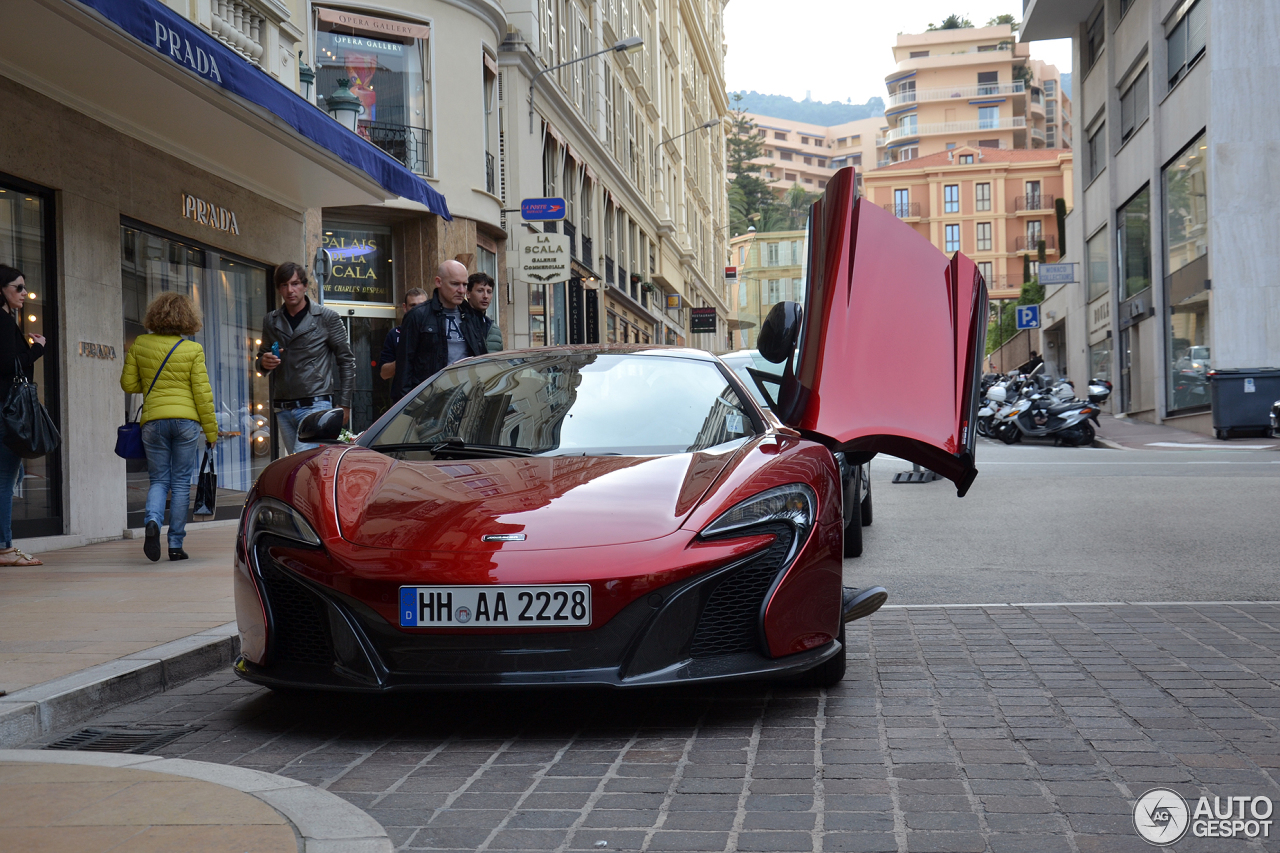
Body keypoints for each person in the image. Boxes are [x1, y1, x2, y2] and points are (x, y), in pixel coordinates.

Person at [120, 292, 217, 562]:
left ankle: (152, 520)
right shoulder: (193, 350)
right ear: (188, 318)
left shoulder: (140, 343)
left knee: (159, 479)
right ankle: (175, 545)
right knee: (181, 482)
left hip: (153, 422)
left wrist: (155, 385)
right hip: (186, 422)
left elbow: (128, 384)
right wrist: (211, 432)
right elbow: (202, 395)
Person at [256, 263, 355, 454]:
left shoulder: (326, 317)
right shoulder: (271, 320)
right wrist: (263, 362)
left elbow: (347, 361)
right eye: (284, 285)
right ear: (279, 289)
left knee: (304, 465)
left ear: (305, 285)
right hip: (283, 407)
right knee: (301, 466)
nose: (290, 290)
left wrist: (344, 403)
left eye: (295, 284)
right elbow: (261, 361)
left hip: (315, 404)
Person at [0, 266, 46, 567]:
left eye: (24, 288)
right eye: (18, 288)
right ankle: (5, 548)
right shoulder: (2, 322)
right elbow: (7, 365)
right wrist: (36, 350)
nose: (23, 294)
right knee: (6, 478)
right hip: (7, 413)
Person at [396, 260, 489, 398]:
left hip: (467, 397)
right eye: (455, 284)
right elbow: (404, 367)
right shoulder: (417, 316)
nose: (461, 290)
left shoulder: (471, 316)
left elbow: (481, 360)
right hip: (430, 400)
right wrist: (410, 408)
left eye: (464, 284)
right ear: (439, 282)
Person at [378, 287, 429, 393]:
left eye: (421, 305)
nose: (418, 310)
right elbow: (384, 373)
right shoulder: (394, 334)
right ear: (405, 308)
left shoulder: (437, 332)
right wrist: (405, 359)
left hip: (431, 395)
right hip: (403, 397)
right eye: (413, 306)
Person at [466, 272, 503, 353]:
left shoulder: (494, 329)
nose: (485, 296)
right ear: (468, 294)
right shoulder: (461, 323)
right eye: (480, 291)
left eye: (489, 292)